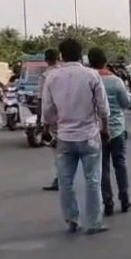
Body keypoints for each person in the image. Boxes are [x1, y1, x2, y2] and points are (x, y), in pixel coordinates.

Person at [41, 38, 111, 235]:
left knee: (65, 181)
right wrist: (105, 129)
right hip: (89, 135)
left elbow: (47, 110)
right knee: (93, 180)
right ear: (81, 55)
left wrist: (50, 128)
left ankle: (72, 219)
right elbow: (103, 107)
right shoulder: (91, 75)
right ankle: (94, 222)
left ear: (61, 55)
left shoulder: (52, 77)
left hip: (65, 137)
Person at [88, 48, 131, 216]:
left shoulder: (89, 80)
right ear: (105, 61)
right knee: (119, 164)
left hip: (96, 130)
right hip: (117, 128)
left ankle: (108, 202)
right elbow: (126, 103)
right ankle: (125, 198)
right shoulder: (116, 81)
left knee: (103, 167)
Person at [39, 49, 61, 191]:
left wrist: (42, 123)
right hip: (71, 117)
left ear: (46, 60)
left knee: (58, 151)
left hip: (54, 118)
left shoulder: (46, 76)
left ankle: (61, 178)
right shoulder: (65, 73)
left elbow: (42, 100)